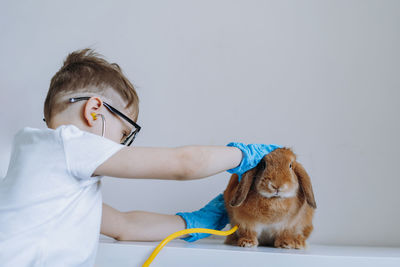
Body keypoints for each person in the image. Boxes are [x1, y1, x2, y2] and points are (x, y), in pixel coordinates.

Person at [0, 49, 280, 266]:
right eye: (124, 133)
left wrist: (193, 223)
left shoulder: (43, 170)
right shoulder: (68, 144)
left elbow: (124, 226)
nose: (122, 144)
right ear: (94, 111)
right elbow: (184, 164)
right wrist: (245, 154)